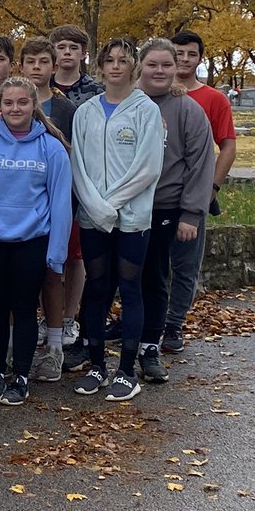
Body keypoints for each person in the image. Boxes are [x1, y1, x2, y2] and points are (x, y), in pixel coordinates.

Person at [0, 76, 72, 406]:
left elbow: (61, 202)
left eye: (22, 102)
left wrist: (57, 252)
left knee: (24, 309)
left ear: (34, 104)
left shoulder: (51, 147)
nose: (15, 108)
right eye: (8, 102)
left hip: (31, 240)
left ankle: (20, 375)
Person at [70, 38, 164, 402]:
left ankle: (126, 370)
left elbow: (148, 167)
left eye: (123, 61)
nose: (115, 67)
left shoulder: (145, 110)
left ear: (133, 67)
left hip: (132, 218)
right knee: (96, 288)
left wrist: (112, 204)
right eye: (109, 60)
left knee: (130, 289)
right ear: (100, 66)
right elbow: (77, 165)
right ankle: (96, 366)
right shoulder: (86, 112)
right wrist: (96, 205)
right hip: (93, 216)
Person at [135, 38, 214, 384]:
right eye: (153, 64)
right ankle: (121, 337)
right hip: (123, 208)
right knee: (122, 278)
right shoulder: (126, 104)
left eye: (166, 65)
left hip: (166, 207)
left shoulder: (187, 110)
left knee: (156, 277)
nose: (160, 71)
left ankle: (151, 345)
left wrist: (190, 214)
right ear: (141, 66)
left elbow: (201, 164)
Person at [163, 31, 236, 352]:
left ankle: (174, 323)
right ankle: (145, 319)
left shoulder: (212, 99)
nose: (184, 60)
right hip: (156, 197)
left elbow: (228, 146)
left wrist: (211, 190)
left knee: (185, 265)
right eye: (178, 53)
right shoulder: (151, 95)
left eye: (191, 54)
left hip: (193, 197)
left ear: (199, 59)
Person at [18, 36, 77, 381]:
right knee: (18, 285)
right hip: (16, 215)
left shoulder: (66, 108)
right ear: (21, 66)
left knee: (53, 276)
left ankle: (54, 346)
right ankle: (17, 347)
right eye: (30, 62)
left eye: (43, 62)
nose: (37, 68)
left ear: (53, 67)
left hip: (54, 208)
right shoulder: (9, 105)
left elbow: (72, 158)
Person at [50, 24, 105, 105]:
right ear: (52, 52)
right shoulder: (42, 88)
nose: (67, 52)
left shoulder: (97, 92)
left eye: (74, 48)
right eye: (61, 47)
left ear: (83, 53)